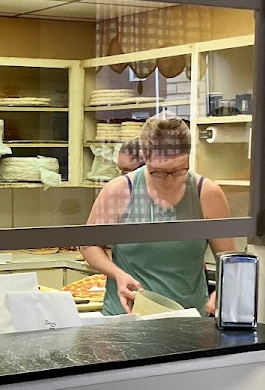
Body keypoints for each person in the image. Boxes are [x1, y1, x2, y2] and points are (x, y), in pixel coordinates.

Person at [81, 116, 233, 316]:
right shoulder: (120, 190)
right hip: (128, 316)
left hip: (187, 317)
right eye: (159, 172)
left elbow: (229, 260)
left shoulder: (206, 193)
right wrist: (117, 274)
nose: (169, 180)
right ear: (144, 157)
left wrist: (222, 291)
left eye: (179, 170)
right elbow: (89, 246)